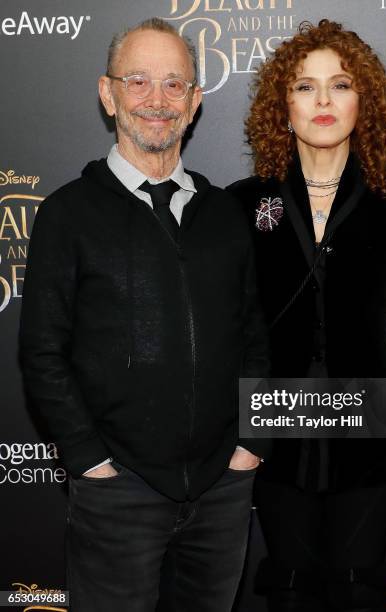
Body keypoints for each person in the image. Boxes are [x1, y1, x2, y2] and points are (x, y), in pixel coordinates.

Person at [19, 18, 268, 612]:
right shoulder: (66, 214)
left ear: (195, 101)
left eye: (174, 85)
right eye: (138, 82)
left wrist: (250, 445)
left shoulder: (225, 214)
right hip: (117, 493)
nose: (157, 101)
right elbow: (42, 353)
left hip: (223, 489)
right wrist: (90, 462)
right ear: (108, 94)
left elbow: (256, 333)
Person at [228, 19, 386, 612]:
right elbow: (223, 320)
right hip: (274, 436)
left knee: (359, 591)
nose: (324, 101)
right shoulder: (243, 204)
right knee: (291, 590)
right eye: (305, 87)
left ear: (366, 102)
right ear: (283, 105)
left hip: (371, 439)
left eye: (341, 84)